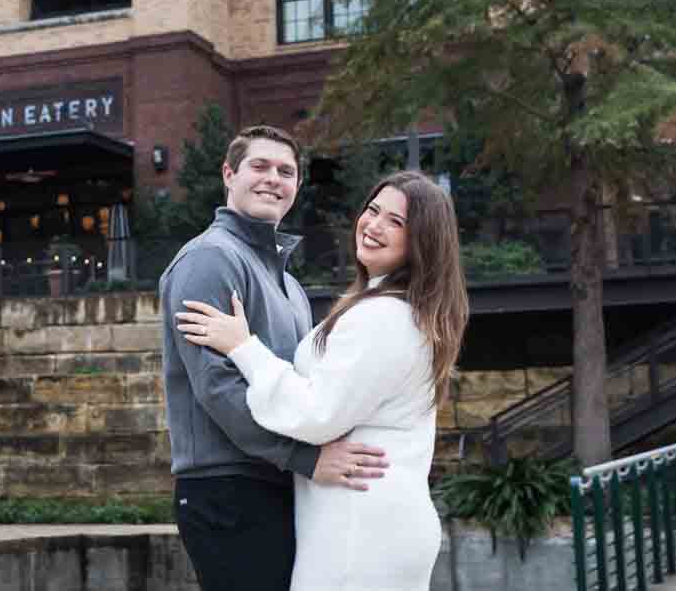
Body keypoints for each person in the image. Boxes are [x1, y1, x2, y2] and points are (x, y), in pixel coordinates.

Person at [177, 169, 469, 591]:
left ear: (422, 242)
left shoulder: (384, 317)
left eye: (396, 221)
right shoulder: (403, 311)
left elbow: (317, 414)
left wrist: (243, 346)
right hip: (374, 519)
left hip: (361, 529)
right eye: (373, 210)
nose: (374, 225)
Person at [158, 125, 393, 591]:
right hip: (228, 489)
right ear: (229, 174)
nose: (273, 179)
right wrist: (305, 457)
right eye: (259, 166)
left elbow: (300, 388)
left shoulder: (290, 286)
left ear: (296, 187)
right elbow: (217, 387)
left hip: (277, 484)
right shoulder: (208, 260)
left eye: (286, 171)